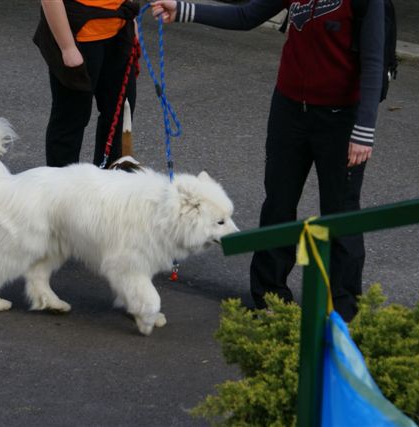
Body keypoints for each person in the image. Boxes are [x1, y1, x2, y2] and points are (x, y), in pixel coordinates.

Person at [151, 0, 385, 321]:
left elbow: (374, 61)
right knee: (278, 203)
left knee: (341, 213)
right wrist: (184, 10)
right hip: (289, 110)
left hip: (340, 120)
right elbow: (246, 15)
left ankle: (345, 310)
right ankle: (269, 296)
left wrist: (364, 130)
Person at [34, 0, 140, 167]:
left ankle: (109, 184)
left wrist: (132, 16)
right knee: (71, 119)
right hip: (79, 35)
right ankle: (61, 188)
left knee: (119, 116)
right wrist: (67, 47)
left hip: (119, 28)